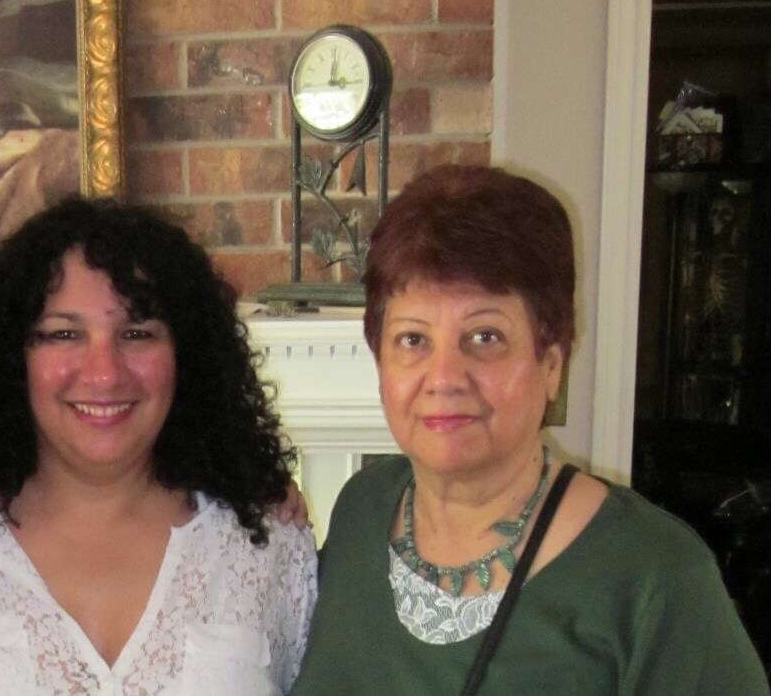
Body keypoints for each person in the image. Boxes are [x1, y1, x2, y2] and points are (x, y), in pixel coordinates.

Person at [291, 165, 769, 694]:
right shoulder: (360, 511)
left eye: (485, 337)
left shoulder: (657, 577)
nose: (444, 377)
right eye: (412, 340)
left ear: (551, 364)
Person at [0, 197, 317, 696]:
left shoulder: (270, 545)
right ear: (10, 356)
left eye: (137, 332)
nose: (104, 372)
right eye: (63, 333)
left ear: (188, 354)